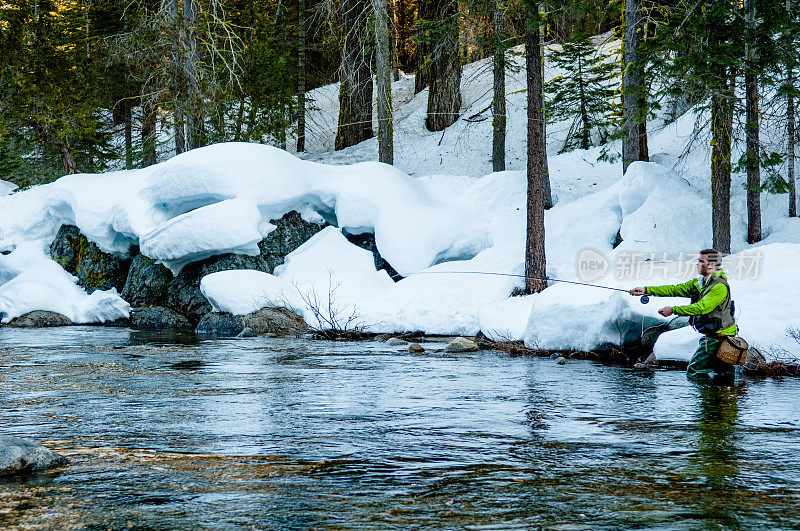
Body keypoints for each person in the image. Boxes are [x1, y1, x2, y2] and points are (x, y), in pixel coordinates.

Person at [629, 248, 737, 381]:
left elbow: (702, 308)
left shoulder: (719, 286)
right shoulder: (699, 283)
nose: (697, 264)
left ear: (711, 265)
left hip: (720, 337)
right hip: (714, 336)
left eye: (701, 261)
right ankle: (722, 399)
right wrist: (646, 290)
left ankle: (710, 400)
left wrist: (673, 310)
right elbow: (674, 290)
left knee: (694, 372)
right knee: (724, 374)